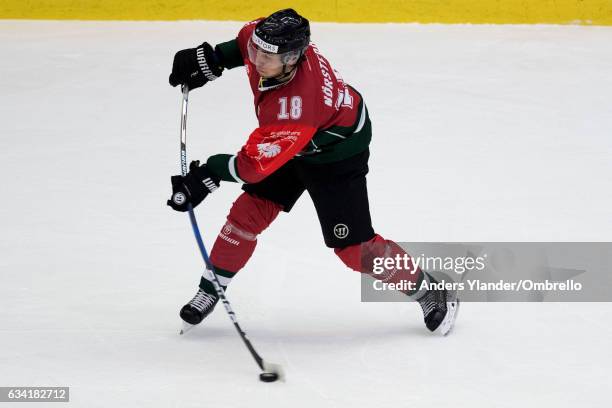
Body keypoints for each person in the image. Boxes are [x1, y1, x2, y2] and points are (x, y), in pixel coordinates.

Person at [167, 9, 459, 335]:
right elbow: (242, 43)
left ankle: (428, 288)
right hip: (292, 140)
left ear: (291, 59)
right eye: (256, 51)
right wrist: (213, 60)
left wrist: (209, 173)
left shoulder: (298, 106)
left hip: (335, 153)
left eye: (267, 56)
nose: (257, 59)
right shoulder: (264, 39)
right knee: (246, 216)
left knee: (354, 252)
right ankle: (210, 291)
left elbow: (250, 168)